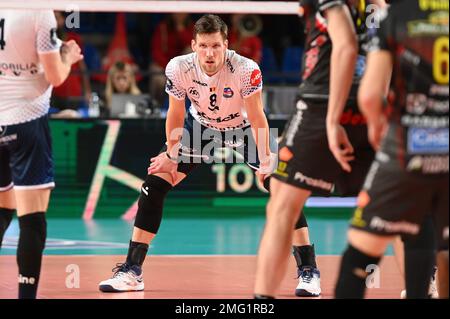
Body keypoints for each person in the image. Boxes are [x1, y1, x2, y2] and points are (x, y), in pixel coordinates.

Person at [98, 14, 316, 293]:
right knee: (153, 186)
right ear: (193, 45)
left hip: (243, 129)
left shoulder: (245, 68)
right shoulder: (179, 67)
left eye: (215, 46)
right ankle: (132, 271)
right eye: (203, 46)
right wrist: (173, 151)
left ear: (226, 44)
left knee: (283, 190)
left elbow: (257, 116)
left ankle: (309, 271)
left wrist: (267, 160)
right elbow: (175, 113)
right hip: (200, 129)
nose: (209, 53)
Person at [253, 0, 377, 298]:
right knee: (395, 209)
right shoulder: (379, 8)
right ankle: (424, 285)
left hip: (323, 104)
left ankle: (265, 298)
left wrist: (333, 119)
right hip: (372, 102)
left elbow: (346, 46)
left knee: (281, 201)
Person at [335, 0, 448, 299]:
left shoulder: (394, 15)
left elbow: (371, 95)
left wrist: (376, 127)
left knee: (361, 251)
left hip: (408, 143)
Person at [0, 10, 82, 298]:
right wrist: (68, 56)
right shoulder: (39, 11)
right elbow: (55, 76)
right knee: (32, 219)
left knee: (3, 206)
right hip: (26, 123)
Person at [149, 13, 194, 107]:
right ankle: (157, 107)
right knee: (156, 74)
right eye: (177, 12)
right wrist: (170, 68)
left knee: (190, 50)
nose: (180, 15)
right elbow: (156, 52)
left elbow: (194, 48)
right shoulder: (162, 28)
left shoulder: (192, 28)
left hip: (184, 69)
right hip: (165, 66)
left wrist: (181, 29)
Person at [51, 11, 92, 114]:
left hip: (73, 92)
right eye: (52, 18)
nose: (54, 21)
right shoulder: (45, 40)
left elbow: (82, 67)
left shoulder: (74, 38)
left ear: (62, 20)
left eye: (56, 18)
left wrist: (87, 90)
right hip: (53, 92)